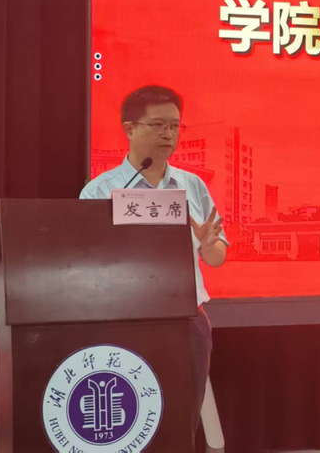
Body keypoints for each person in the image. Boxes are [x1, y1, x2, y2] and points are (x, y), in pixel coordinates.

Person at [80, 84, 227, 433]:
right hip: (124, 318)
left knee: (183, 418)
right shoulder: (100, 190)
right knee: (132, 419)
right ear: (129, 129)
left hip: (188, 318)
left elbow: (217, 257)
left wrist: (207, 244)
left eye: (175, 126)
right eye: (158, 125)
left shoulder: (193, 185)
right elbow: (87, 259)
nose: (168, 134)